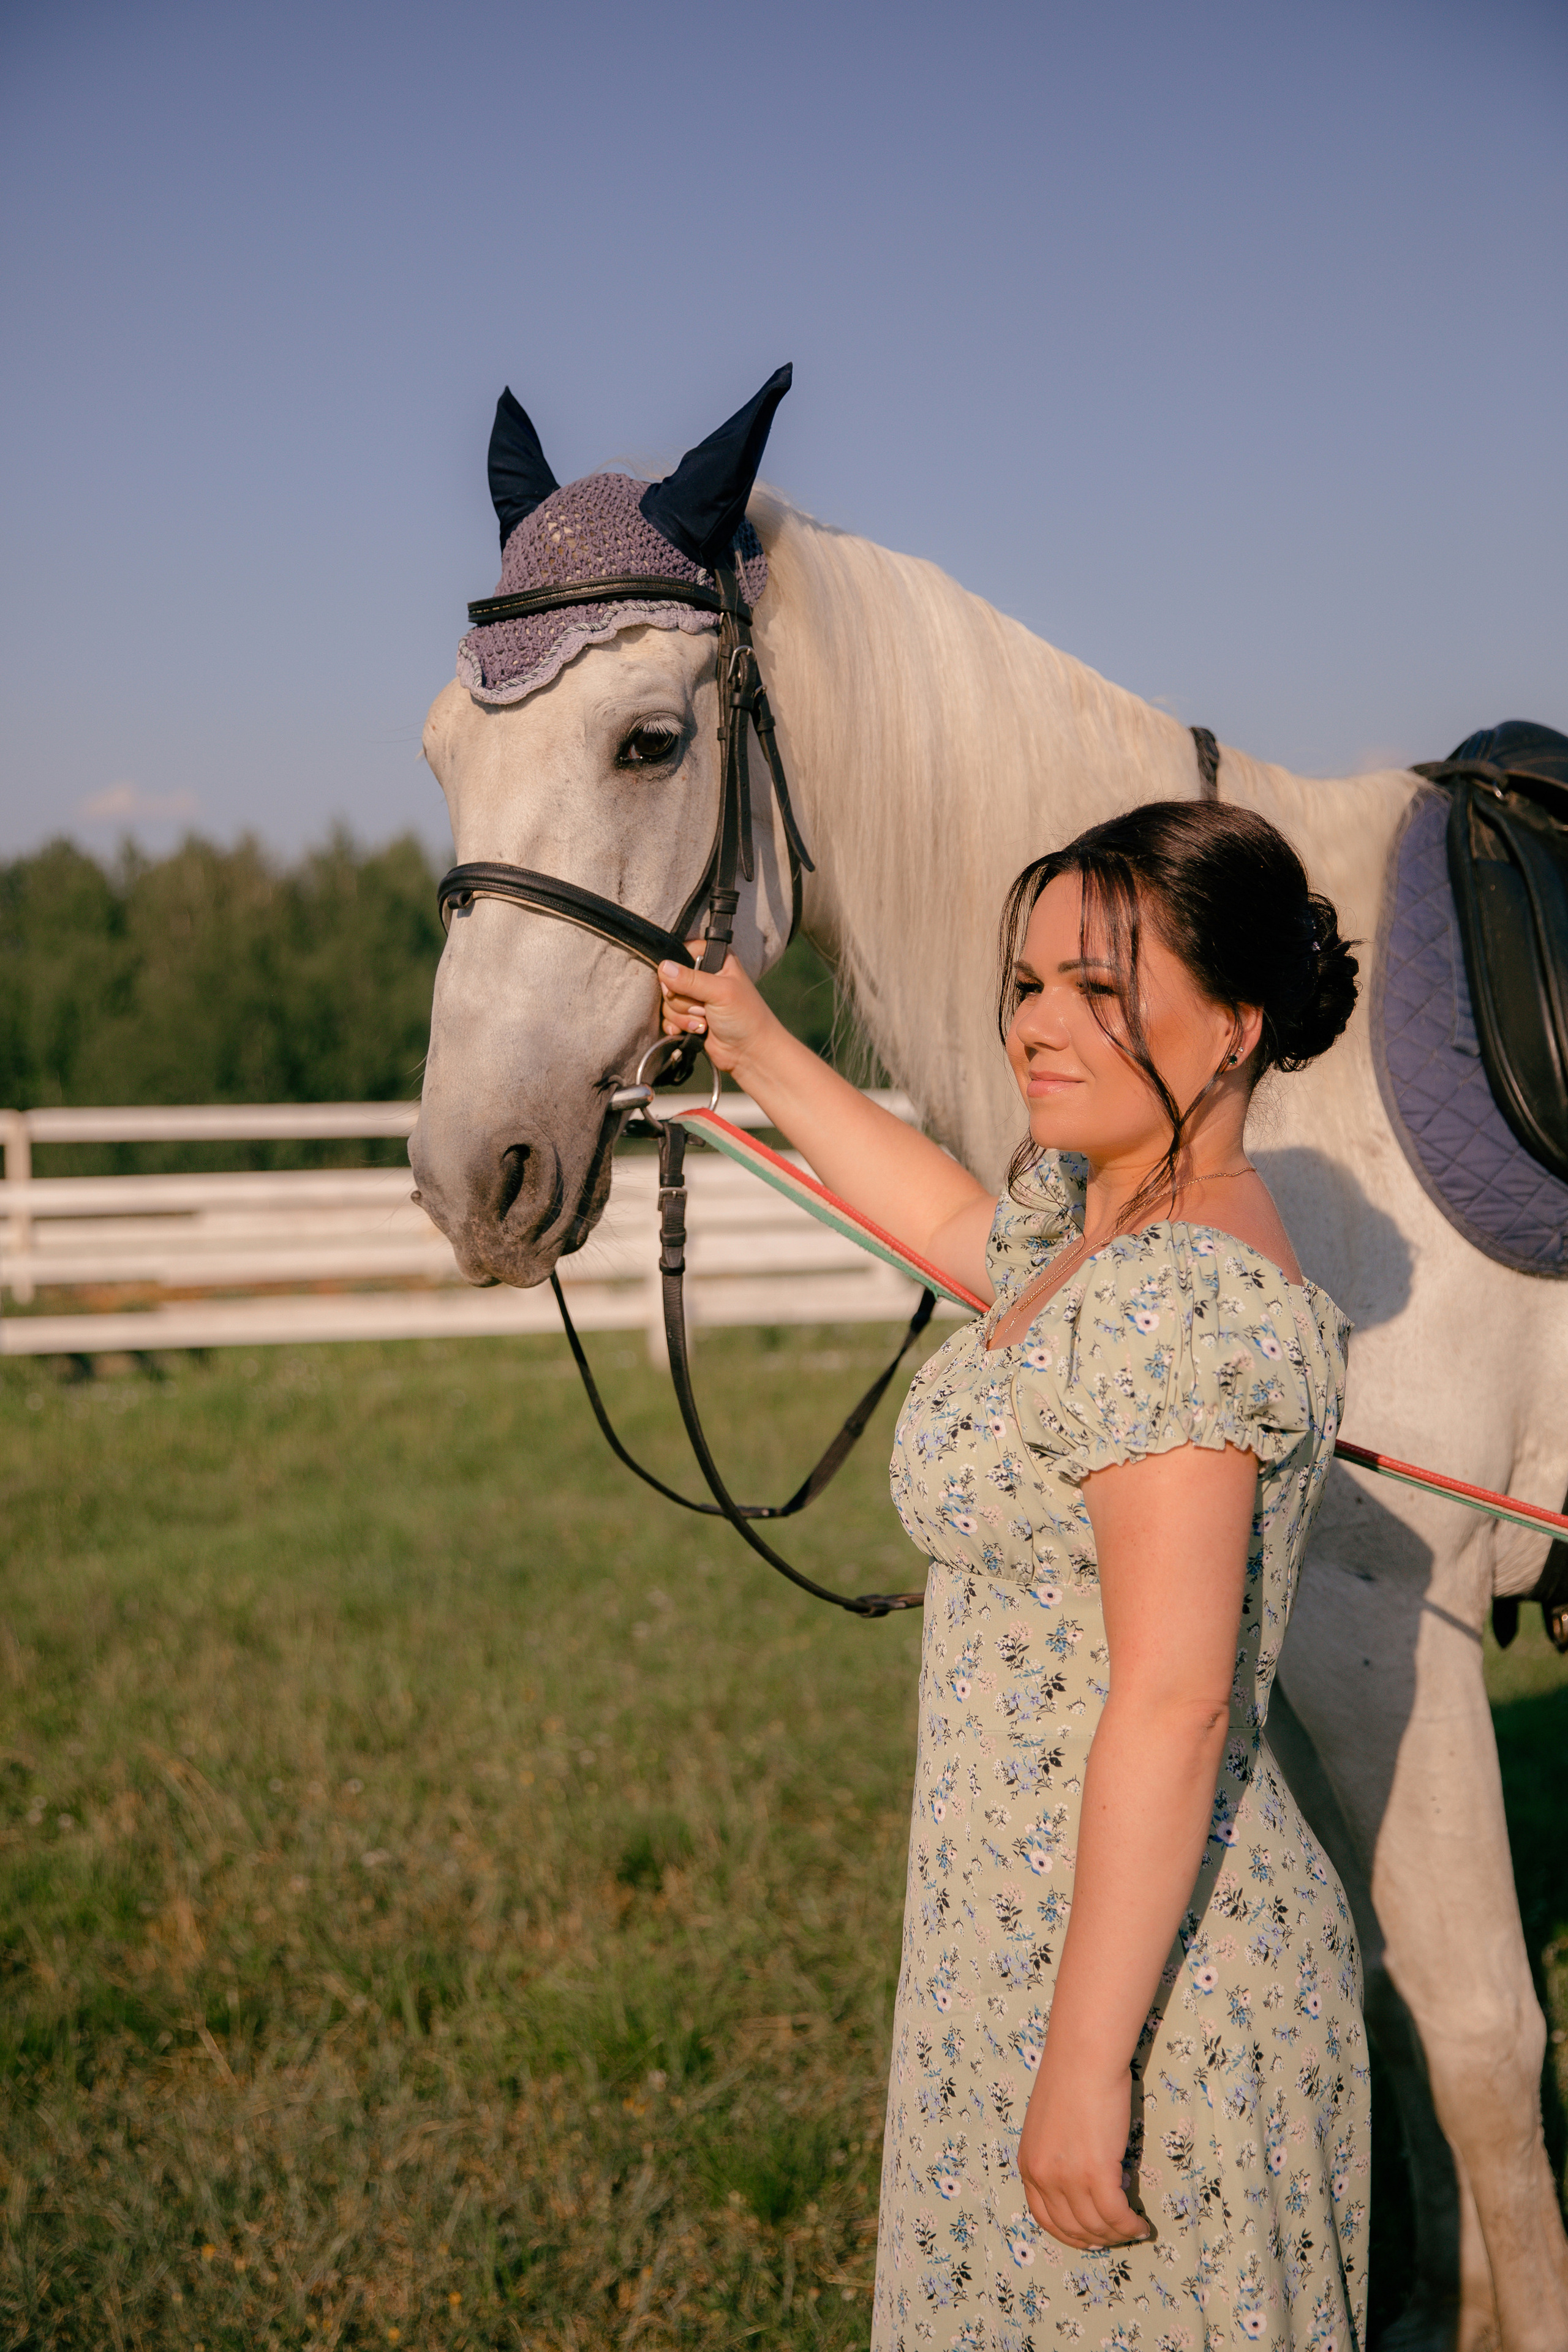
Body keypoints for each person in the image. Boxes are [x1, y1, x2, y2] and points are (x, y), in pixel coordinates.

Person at [657, 799, 1368, 2347]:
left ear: (1234, 1028)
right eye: (1030, 983)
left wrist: (1085, 2062)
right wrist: (759, 1047)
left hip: (1154, 2001)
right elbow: (946, 1222)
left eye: (1099, 992)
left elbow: (1175, 1703)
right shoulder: (1098, 1236)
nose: (1039, 1025)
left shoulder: (1178, 1297)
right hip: (1026, 1942)